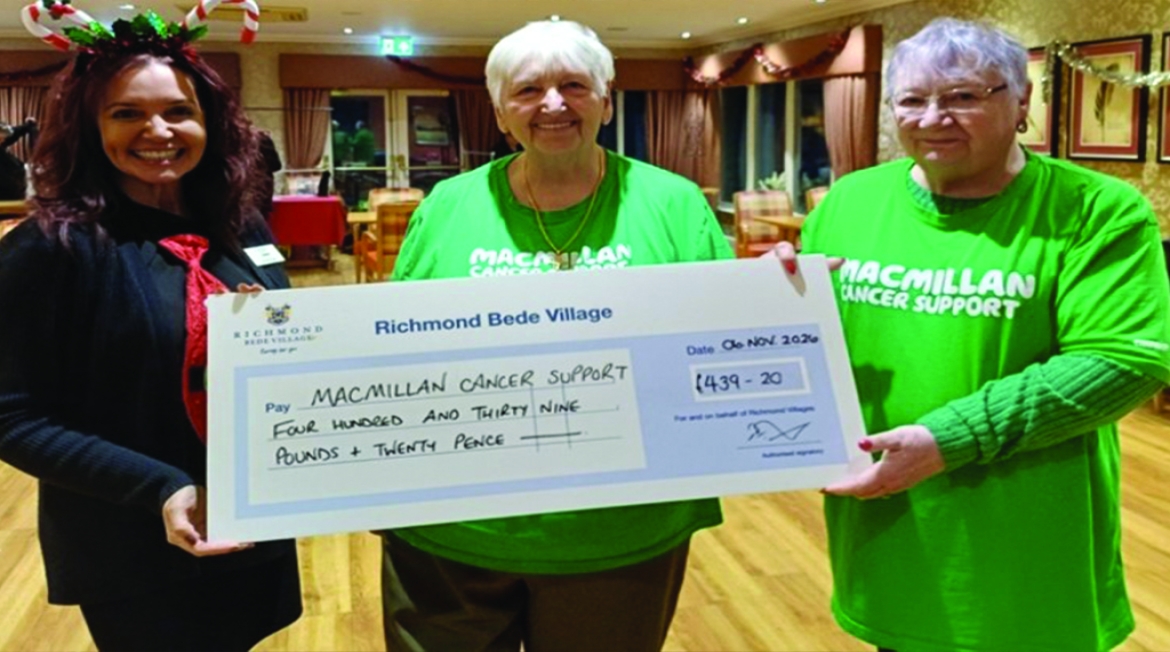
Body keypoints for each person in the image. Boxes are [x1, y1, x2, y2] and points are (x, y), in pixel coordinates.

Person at [778, 18, 1170, 652]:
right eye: (912, 99)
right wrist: (772, 299)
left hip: (1027, 552)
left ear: (1021, 102)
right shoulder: (849, 202)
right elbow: (812, 344)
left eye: (962, 96)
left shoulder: (1096, 210)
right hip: (887, 529)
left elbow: (1121, 362)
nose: (933, 118)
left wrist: (947, 440)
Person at [379, 20, 732, 652]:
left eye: (573, 85)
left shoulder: (674, 203)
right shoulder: (446, 206)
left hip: (619, 531)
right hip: (450, 531)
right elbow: (394, 352)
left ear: (606, 101)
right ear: (499, 113)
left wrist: (780, 295)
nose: (552, 104)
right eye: (528, 90)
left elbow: (728, 337)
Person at [0, 5, 302, 650]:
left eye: (178, 111)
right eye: (126, 113)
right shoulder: (49, 249)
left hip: (254, 521)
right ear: (89, 127)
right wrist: (160, 488)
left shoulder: (243, 228)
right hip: (132, 543)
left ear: (210, 122)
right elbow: (12, 415)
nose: (157, 130)